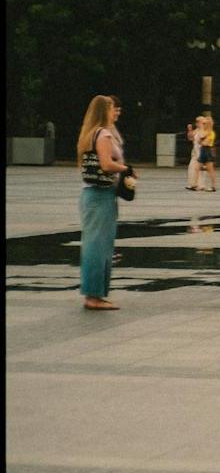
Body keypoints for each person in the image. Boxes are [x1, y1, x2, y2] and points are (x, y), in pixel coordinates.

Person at [77, 94, 127, 311]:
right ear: (103, 111)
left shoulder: (88, 134)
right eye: (110, 108)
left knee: (92, 245)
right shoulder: (104, 134)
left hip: (90, 194)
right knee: (99, 247)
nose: (114, 111)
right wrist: (126, 170)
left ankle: (93, 293)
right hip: (102, 194)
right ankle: (94, 296)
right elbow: (107, 164)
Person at [196, 113, 218, 191]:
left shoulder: (211, 133)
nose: (203, 124)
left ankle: (213, 186)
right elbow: (199, 140)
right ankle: (198, 185)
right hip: (203, 149)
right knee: (197, 167)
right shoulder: (205, 131)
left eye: (205, 123)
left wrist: (201, 141)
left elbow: (206, 142)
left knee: (210, 169)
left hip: (207, 150)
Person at [186, 116, 203, 191]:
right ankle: (192, 184)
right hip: (195, 151)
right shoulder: (196, 130)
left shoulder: (204, 131)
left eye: (199, 122)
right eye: (197, 122)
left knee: (199, 168)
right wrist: (189, 130)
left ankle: (199, 185)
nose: (197, 124)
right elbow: (190, 138)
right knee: (192, 167)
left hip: (201, 151)